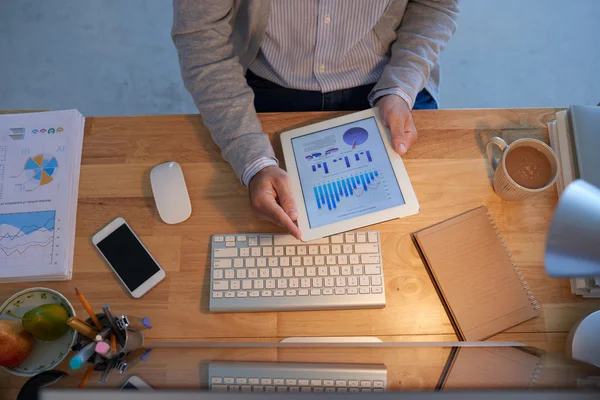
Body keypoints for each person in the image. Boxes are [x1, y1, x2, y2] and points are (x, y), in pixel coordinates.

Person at [172, 0, 460, 239]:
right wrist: (253, 161)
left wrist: (401, 87)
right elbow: (201, 38)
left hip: (389, 77)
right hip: (267, 80)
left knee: (426, 229)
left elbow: (435, 4)